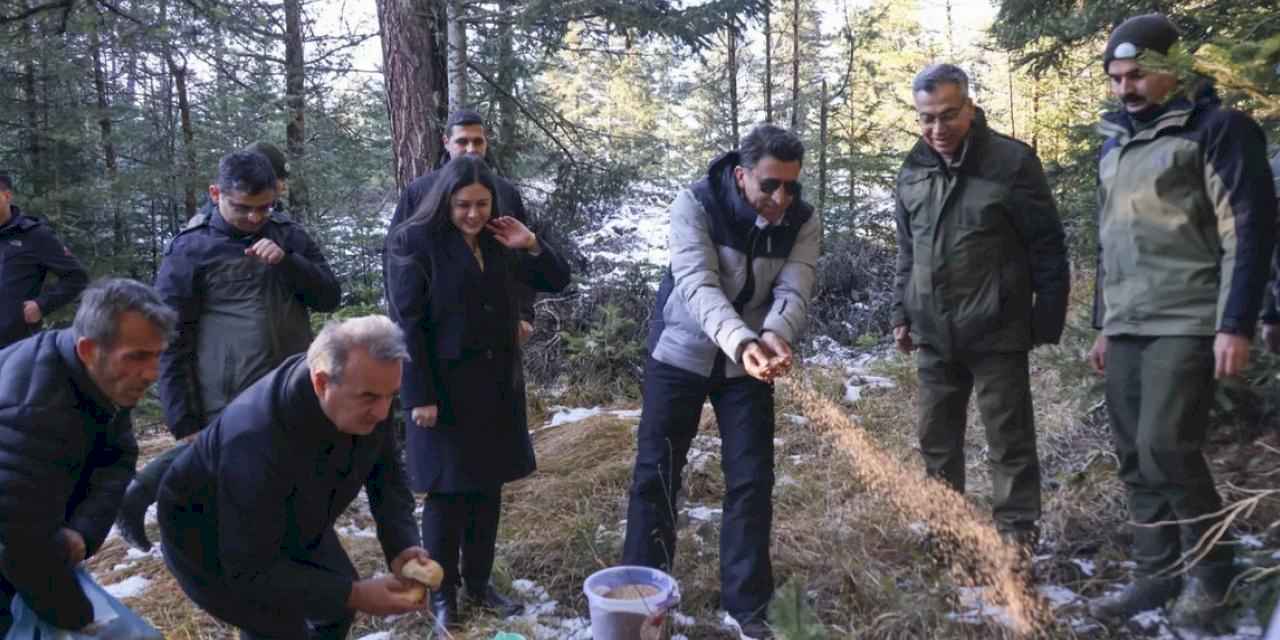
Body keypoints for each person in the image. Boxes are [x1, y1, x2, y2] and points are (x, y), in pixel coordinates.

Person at [1085, 14, 1278, 628]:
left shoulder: (1218, 131)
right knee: (1133, 454)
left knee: (1167, 446)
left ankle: (1212, 576)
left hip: (1190, 319)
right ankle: (1154, 576)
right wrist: (1102, 325)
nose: (1126, 89)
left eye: (1138, 75)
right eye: (1117, 79)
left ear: (1175, 66)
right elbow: (1107, 241)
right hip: (1128, 323)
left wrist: (1236, 322)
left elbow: (1247, 230)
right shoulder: (1116, 144)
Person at [622, 124, 821, 640]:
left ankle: (748, 604)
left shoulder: (801, 219)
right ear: (741, 175)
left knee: (753, 478)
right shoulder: (696, 204)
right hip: (682, 352)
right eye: (770, 185)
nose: (782, 198)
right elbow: (696, 285)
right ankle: (645, 595)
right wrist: (743, 342)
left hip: (748, 363)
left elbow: (795, 287)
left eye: (792, 186)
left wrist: (775, 335)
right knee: (656, 472)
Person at [115, 150, 341, 552]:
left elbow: (328, 296)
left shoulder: (288, 234)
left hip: (289, 381)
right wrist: (183, 418)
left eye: (264, 207)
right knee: (223, 472)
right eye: (243, 208)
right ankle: (142, 500)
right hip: (225, 389)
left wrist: (288, 263)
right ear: (216, 193)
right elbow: (169, 337)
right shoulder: (191, 249)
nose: (255, 218)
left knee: (281, 479)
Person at [385, 155, 571, 634]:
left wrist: (530, 244)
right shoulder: (415, 241)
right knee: (446, 499)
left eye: (482, 204)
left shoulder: (501, 238)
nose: (473, 214)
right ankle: (441, 592)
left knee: (487, 492)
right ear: (445, 200)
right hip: (441, 391)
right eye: (463, 204)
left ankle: (479, 583)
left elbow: (557, 279)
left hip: (495, 387)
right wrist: (418, 395)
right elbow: (408, 324)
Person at [157, 316, 431, 639]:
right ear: (321, 383)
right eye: (370, 398)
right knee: (278, 627)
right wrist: (355, 593)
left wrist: (402, 546)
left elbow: (385, 475)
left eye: (392, 396)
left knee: (335, 607)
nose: (384, 413)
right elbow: (251, 570)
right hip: (209, 537)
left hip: (293, 513)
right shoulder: (255, 437)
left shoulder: (366, 388)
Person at [890, 63, 1070, 548]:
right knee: (936, 440)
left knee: (1009, 441)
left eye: (948, 115)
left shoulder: (1011, 163)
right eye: (926, 118)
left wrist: (1044, 320)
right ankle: (946, 531)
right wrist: (901, 314)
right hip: (933, 332)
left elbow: (1048, 246)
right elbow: (908, 251)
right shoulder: (913, 170)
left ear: (970, 107)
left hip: (998, 329)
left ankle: (1016, 537)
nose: (936, 129)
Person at [0, 278, 174, 634]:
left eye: (158, 355)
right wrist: (80, 618)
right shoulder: (33, 409)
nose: (153, 374)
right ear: (87, 349)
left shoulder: (99, 377)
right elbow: (22, 546)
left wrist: (82, 531)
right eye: (139, 357)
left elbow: (118, 456)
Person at [387, 109, 536, 343]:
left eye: (478, 141)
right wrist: (403, 330)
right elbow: (394, 259)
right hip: (440, 334)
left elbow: (522, 260)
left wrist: (525, 315)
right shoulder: (419, 192)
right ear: (447, 143)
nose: (471, 149)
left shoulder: (506, 193)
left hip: (499, 331)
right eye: (462, 141)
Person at [0, 173, 89, 349]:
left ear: (7, 195)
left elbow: (77, 277)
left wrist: (41, 305)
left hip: (14, 346)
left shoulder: (34, 235)